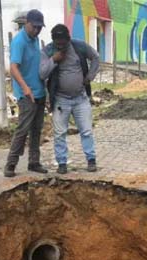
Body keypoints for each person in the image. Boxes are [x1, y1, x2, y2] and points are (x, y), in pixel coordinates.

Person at [40, 24, 100, 174]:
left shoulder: (79, 46)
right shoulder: (48, 51)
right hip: (61, 100)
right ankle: (62, 163)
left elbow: (95, 57)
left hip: (80, 98)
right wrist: (54, 59)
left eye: (63, 43)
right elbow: (42, 73)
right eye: (57, 43)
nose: (61, 46)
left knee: (86, 130)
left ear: (68, 39)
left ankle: (91, 160)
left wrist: (90, 76)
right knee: (60, 133)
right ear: (53, 41)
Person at [4, 9, 48, 177]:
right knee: (23, 129)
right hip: (26, 94)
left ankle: (34, 162)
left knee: (37, 129)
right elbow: (13, 68)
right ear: (27, 24)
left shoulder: (35, 39)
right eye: (34, 27)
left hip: (39, 92)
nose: (37, 30)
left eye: (39, 28)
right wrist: (25, 88)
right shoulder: (19, 42)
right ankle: (11, 164)